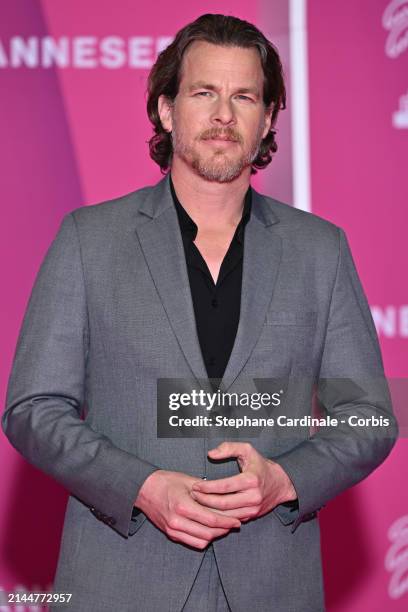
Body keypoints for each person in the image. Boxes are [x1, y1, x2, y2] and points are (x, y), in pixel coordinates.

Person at [2, 13, 398, 612]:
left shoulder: (321, 251)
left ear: (267, 119)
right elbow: (34, 407)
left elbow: (368, 415)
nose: (223, 114)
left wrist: (285, 482)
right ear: (166, 109)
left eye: (244, 96)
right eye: (204, 92)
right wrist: (139, 487)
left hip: (272, 583)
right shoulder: (90, 239)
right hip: (121, 581)